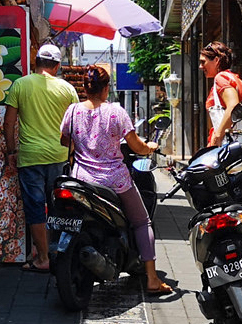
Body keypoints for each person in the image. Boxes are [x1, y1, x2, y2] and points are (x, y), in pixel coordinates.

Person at [59, 65, 173, 295]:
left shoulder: (72, 111)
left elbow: (64, 141)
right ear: (106, 88)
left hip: (81, 179)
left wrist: (84, 147)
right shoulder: (116, 112)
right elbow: (137, 147)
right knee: (142, 222)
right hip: (114, 179)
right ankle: (152, 278)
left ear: (84, 87)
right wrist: (150, 147)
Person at [4, 43, 78, 272]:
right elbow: (76, 127)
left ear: (36, 62)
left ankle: (42, 257)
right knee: (57, 207)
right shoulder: (67, 89)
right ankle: (55, 252)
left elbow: (8, 123)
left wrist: (10, 151)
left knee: (35, 207)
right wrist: (73, 153)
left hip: (30, 157)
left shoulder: (20, 85)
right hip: (58, 156)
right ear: (56, 66)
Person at [201, 41, 242, 148]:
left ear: (216, 60)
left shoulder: (221, 78)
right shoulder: (237, 80)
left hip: (229, 147)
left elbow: (233, 105)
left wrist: (218, 136)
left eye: (203, 62)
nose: (201, 67)